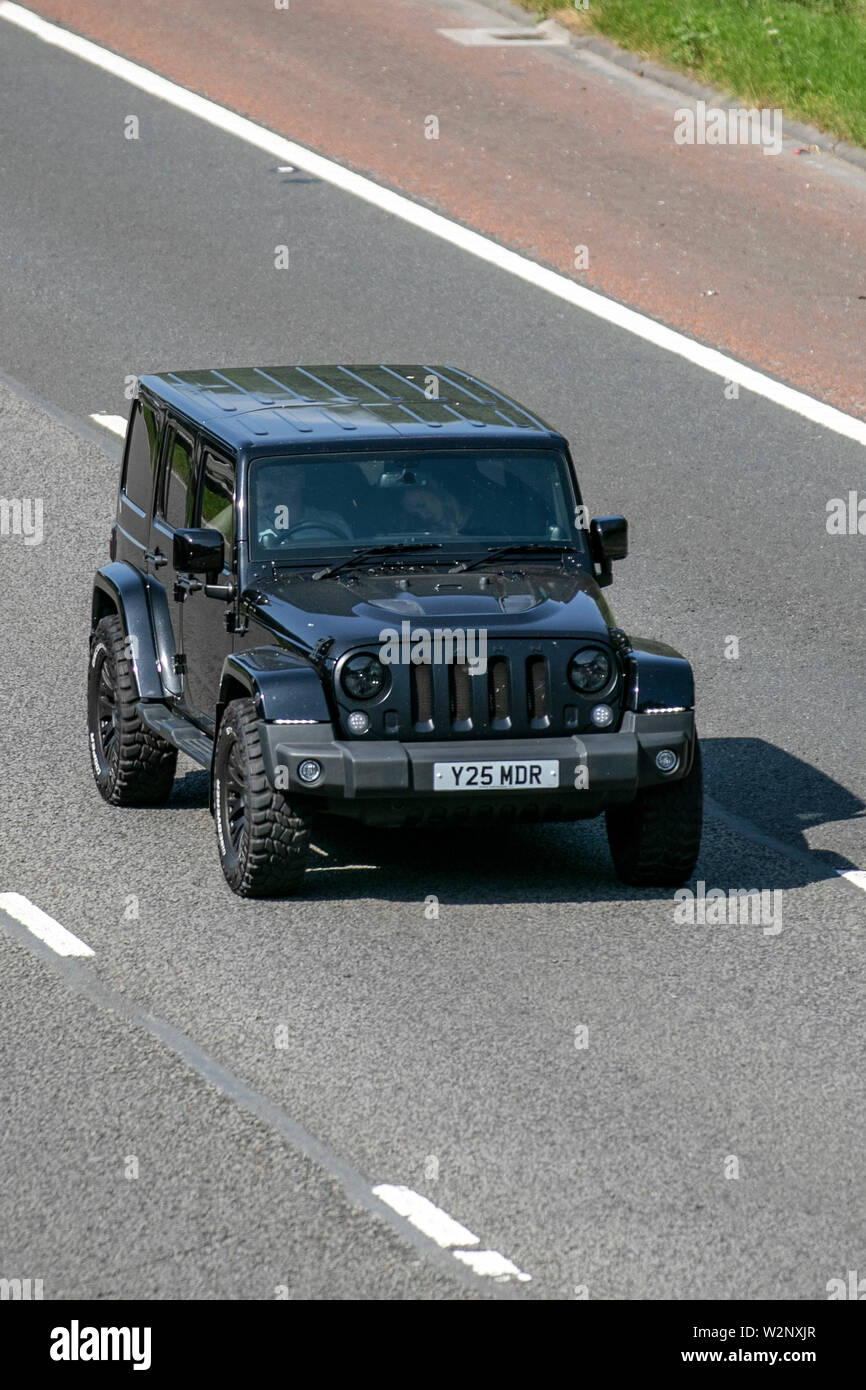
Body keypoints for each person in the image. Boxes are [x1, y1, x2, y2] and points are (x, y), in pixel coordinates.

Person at [255, 466, 352, 546]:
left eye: (289, 474)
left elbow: (351, 557)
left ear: (302, 479)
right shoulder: (253, 527)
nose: (283, 480)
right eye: (275, 475)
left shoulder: (332, 522)